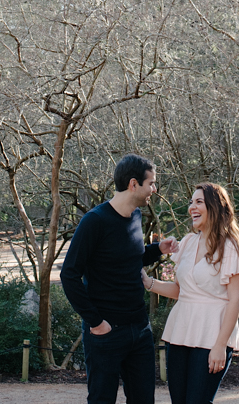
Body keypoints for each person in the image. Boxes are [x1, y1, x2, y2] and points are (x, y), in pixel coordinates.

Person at [61, 154, 178, 404]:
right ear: (134, 184)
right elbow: (69, 274)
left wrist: (158, 249)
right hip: (106, 332)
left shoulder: (135, 216)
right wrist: (96, 322)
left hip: (140, 328)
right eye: (152, 184)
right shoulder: (95, 221)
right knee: (102, 400)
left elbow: (128, 259)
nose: (154, 190)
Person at [141, 182, 239, 404]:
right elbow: (181, 291)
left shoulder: (231, 246)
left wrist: (220, 346)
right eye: (191, 202)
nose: (192, 207)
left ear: (216, 207)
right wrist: (148, 282)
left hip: (213, 335)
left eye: (199, 202)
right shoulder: (188, 242)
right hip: (180, 331)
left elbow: (236, 299)